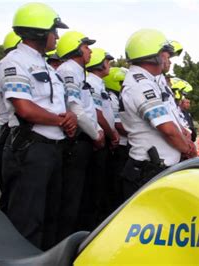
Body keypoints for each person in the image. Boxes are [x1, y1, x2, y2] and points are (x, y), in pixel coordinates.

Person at [0, 3, 75, 249]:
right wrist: (61, 120)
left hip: (53, 149)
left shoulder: (47, 67)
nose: (58, 36)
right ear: (41, 32)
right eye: (55, 30)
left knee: (51, 218)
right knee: (27, 222)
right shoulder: (15, 62)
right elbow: (25, 108)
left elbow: (55, 105)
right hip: (30, 150)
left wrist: (69, 119)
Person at [121, 29, 197, 201]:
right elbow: (167, 130)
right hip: (148, 171)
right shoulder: (142, 86)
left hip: (152, 169)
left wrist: (182, 133)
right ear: (154, 55)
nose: (168, 59)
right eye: (166, 54)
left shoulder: (147, 82)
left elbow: (170, 120)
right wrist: (188, 150)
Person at [55, 30, 103, 239]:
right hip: (77, 142)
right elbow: (75, 108)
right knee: (70, 199)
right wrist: (96, 134)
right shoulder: (69, 71)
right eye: (85, 46)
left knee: (80, 196)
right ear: (74, 49)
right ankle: (66, 243)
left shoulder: (76, 71)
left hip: (85, 139)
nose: (90, 51)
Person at [84, 48, 119, 226]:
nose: (109, 65)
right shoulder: (92, 83)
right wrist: (112, 134)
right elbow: (97, 114)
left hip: (105, 139)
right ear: (99, 62)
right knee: (95, 188)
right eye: (107, 61)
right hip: (98, 141)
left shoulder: (99, 84)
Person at [0, 30, 21, 213]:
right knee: (13, 194)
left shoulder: (1, 66)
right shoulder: (7, 66)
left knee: (12, 193)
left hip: (7, 129)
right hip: (11, 129)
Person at [103, 67, 129, 208]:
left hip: (123, 145)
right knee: (115, 184)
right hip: (119, 146)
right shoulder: (111, 98)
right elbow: (118, 125)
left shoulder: (117, 97)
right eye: (121, 83)